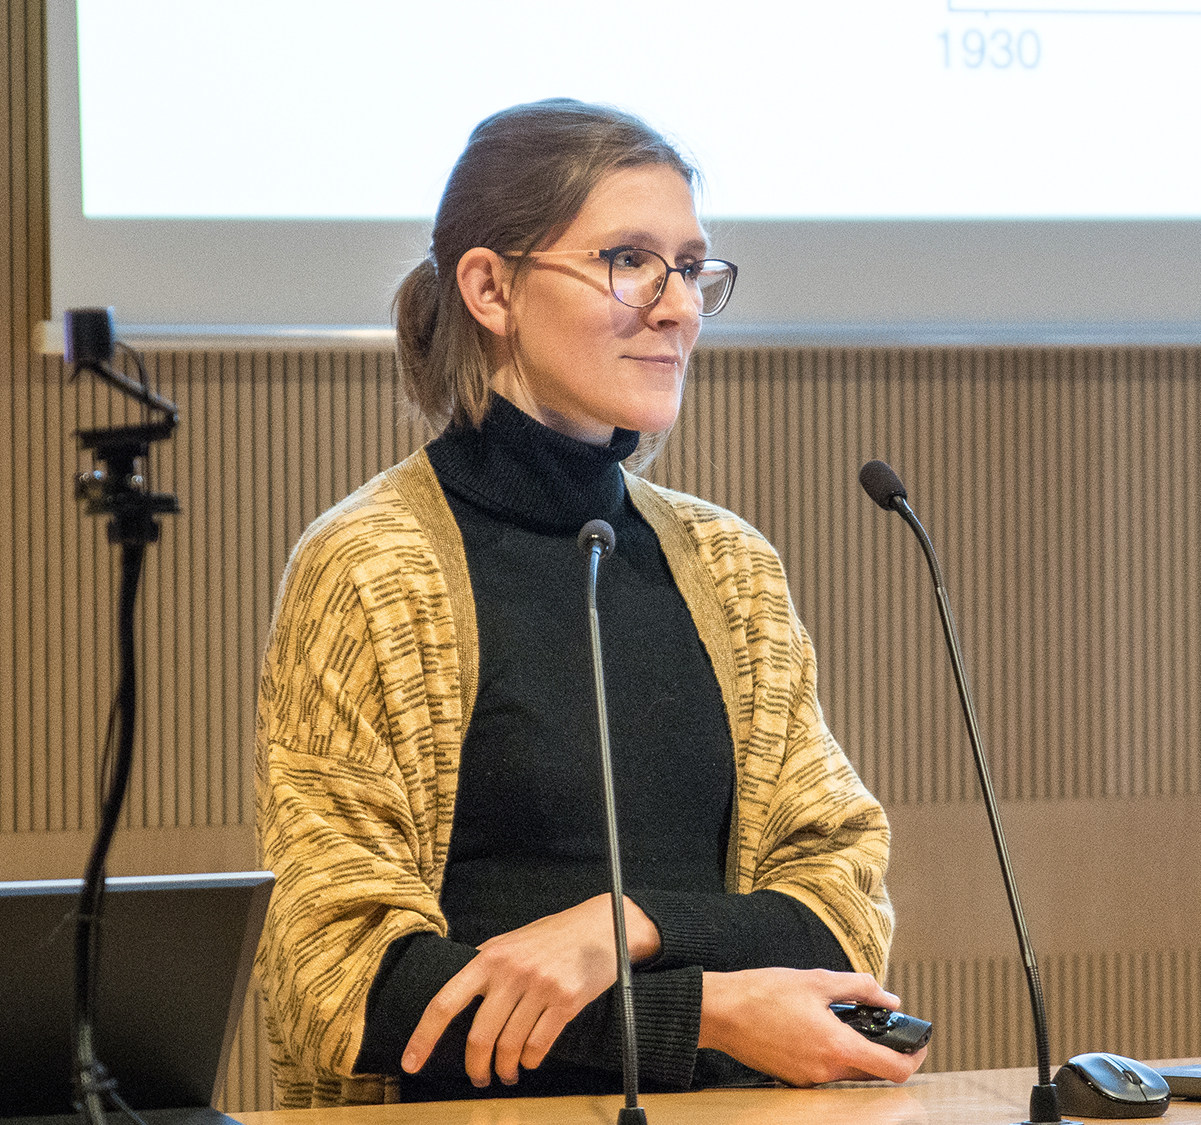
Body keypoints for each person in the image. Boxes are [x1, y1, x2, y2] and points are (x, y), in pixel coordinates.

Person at [254, 98, 926, 1108]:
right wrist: (695, 1015)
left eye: (690, 267)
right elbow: (344, 982)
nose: (679, 306)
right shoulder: (371, 566)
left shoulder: (729, 566)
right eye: (629, 261)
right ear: (490, 288)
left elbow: (842, 910)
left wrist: (630, 925)